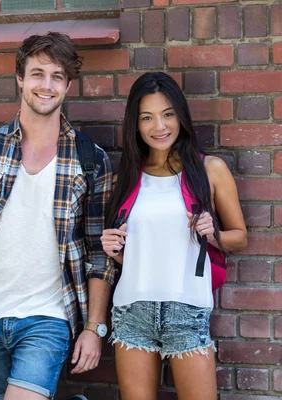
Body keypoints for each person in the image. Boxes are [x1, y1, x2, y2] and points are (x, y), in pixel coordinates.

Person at [0, 32, 115, 400]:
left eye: (57, 76)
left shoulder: (91, 160)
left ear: (68, 85)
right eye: (37, 74)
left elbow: (99, 254)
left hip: (49, 317)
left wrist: (94, 327)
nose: (46, 85)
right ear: (20, 78)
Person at [100, 72, 247, 400]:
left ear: (181, 115)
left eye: (167, 114)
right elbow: (136, 253)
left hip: (188, 307)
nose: (159, 126)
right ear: (135, 125)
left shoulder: (209, 170)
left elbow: (240, 237)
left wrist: (212, 235)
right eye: (147, 117)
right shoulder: (123, 178)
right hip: (132, 308)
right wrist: (113, 248)